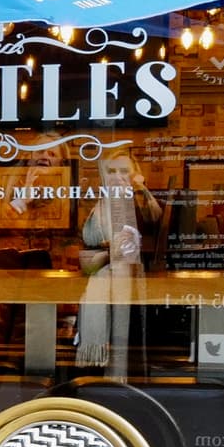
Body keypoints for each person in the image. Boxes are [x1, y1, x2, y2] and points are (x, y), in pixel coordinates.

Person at [76, 140, 146, 377]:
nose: (117, 176)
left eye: (124, 171)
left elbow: (128, 252)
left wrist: (141, 191)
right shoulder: (100, 204)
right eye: (112, 171)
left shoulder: (134, 204)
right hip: (99, 285)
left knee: (120, 355)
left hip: (124, 291)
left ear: (135, 176)